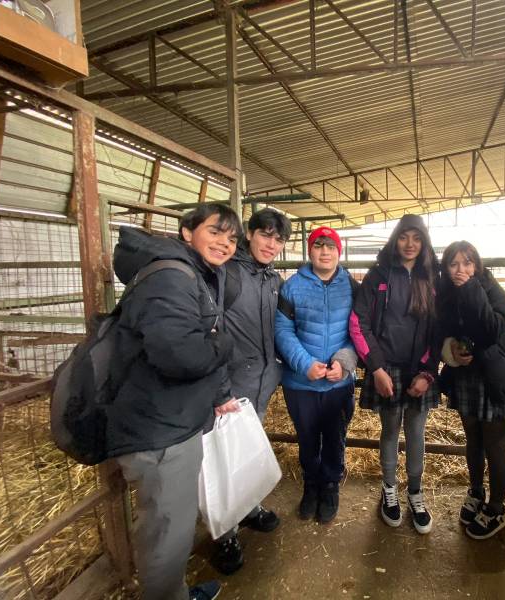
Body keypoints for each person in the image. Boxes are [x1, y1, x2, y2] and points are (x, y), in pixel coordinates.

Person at [109, 204, 244, 600]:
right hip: (159, 428)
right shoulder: (172, 276)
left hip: (169, 417)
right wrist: (224, 341)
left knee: (169, 522)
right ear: (187, 232)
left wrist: (217, 391)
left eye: (232, 238)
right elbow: (182, 355)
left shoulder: (188, 273)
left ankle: (174, 593)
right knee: (168, 528)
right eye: (216, 232)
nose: (225, 243)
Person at [211, 208, 292, 574]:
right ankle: (224, 533)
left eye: (279, 239)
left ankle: (248, 509)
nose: (271, 244)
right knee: (222, 460)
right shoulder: (226, 274)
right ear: (250, 233)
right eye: (266, 235)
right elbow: (208, 332)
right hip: (227, 387)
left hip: (259, 384)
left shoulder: (272, 279)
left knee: (249, 452)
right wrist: (218, 389)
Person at [349, 214, 440, 534]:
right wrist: (376, 368)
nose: (410, 244)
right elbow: (359, 323)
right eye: (404, 237)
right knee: (390, 430)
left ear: (424, 241)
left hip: (418, 369)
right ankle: (389, 489)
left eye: (417, 238)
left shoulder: (432, 276)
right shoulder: (378, 275)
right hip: (386, 369)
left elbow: (437, 329)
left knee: (416, 430)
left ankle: (415, 492)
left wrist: (428, 372)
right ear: (395, 239)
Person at [436, 241, 505, 540]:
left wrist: (471, 289)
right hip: (467, 379)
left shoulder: (491, 291)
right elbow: (441, 330)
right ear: (446, 267)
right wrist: (450, 348)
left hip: (497, 378)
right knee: (473, 441)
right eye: (454, 264)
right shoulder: (445, 294)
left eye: (467, 263)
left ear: (477, 266)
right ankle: (476, 492)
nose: (460, 270)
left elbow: (491, 330)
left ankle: (497, 508)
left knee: (495, 446)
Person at [274, 226, 358, 523]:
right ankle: (311, 485)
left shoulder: (351, 285)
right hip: (301, 382)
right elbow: (282, 331)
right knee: (307, 437)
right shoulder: (293, 286)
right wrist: (304, 364)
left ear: (339, 251)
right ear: (310, 251)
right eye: (319, 245)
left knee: (335, 436)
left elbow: (358, 331)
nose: (325, 251)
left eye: (331, 246)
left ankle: (331, 484)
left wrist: (344, 362)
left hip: (338, 381)